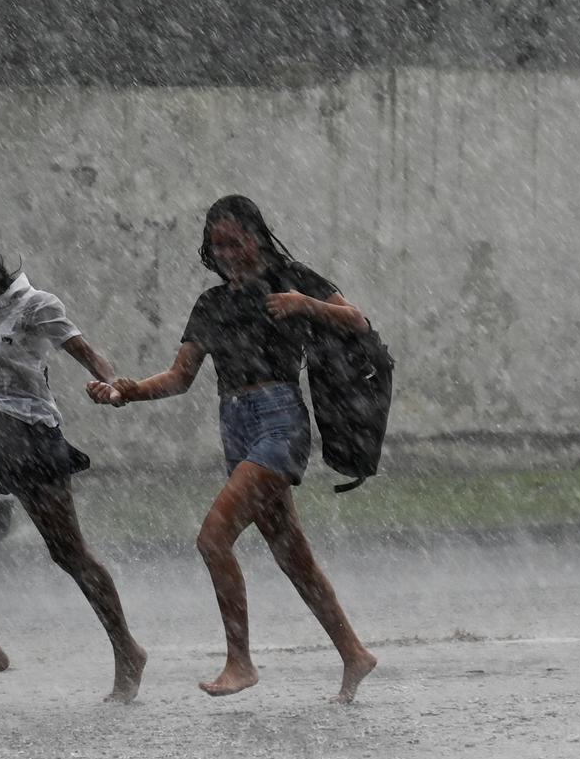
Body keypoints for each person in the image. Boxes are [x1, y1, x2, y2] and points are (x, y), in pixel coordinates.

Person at [87, 195, 380, 703]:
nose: (225, 252)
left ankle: (240, 661)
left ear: (256, 236)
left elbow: (357, 320)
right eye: (216, 244)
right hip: (236, 426)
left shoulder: (292, 278)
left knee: (213, 538)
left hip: (279, 420)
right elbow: (180, 378)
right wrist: (127, 391)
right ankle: (354, 653)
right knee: (294, 557)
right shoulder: (212, 303)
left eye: (233, 240)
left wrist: (305, 304)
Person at [0, 221, 148, 702]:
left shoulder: (34, 305)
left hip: (30, 438)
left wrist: (111, 385)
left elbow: (87, 353)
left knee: (69, 554)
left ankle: (127, 649)